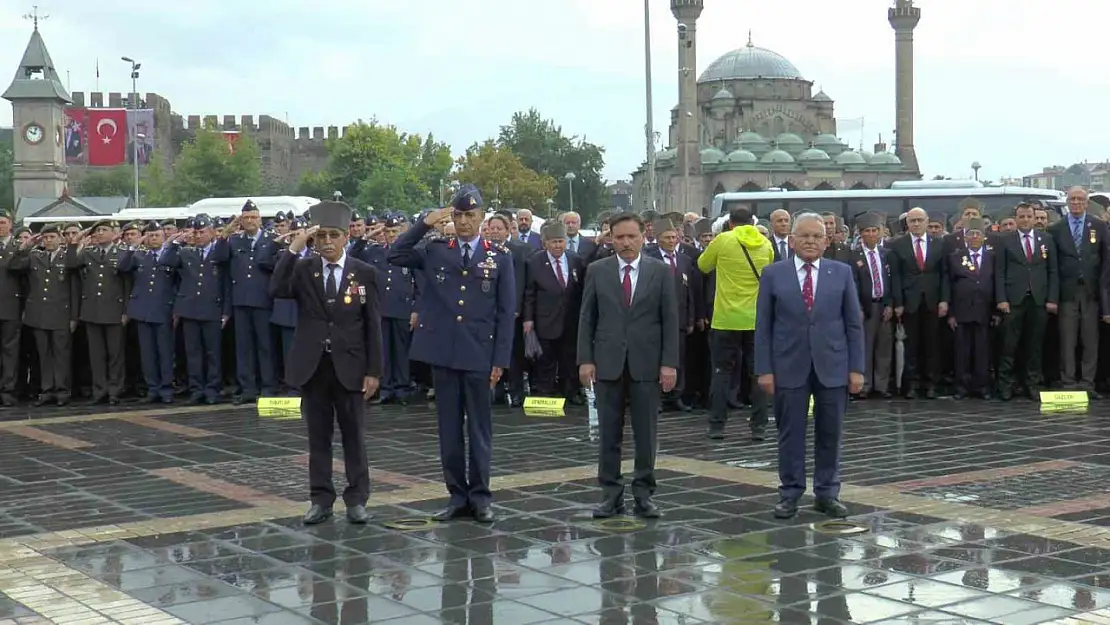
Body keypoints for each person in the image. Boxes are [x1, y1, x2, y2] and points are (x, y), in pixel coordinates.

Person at [388, 185, 515, 523]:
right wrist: (425, 223)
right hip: (443, 352)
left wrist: (500, 360)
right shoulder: (435, 250)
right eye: (457, 216)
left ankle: (481, 497)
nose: (463, 222)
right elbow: (396, 253)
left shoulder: (499, 256)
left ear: (482, 218)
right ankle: (457, 495)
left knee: (480, 429)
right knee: (448, 429)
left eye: (470, 216)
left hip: (479, 354)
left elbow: (505, 312)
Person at [270, 200, 383, 525]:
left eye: (334, 235)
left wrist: (374, 371)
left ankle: (357, 498)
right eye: (321, 237)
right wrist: (294, 246)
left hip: (350, 366)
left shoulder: (363, 273)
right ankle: (320, 499)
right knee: (318, 437)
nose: (328, 242)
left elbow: (372, 323)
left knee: (354, 436)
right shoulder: (305, 269)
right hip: (314, 365)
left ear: (346, 236)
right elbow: (276, 289)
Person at [754, 212, 864, 520]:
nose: (811, 241)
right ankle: (790, 493)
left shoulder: (840, 273)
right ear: (791, 240)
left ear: (827, 241)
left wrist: (856, 368)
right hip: (788, 365)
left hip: (833, 366)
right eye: (804, 236)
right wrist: (765, 369)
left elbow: (854, 323)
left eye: (817, 236)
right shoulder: (774, 273)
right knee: (791, 433)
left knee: (831, 432)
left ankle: (827, 493)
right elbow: (763, 326)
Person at [578, 212, 679, 520]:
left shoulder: (659, 272)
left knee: (646, 435)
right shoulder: (598, 270)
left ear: (642, 237)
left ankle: (644, 494)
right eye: (619, 237)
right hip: (608, 363)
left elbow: (670, 321)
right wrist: (585, 360)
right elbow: (587, 318)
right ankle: (610, 495)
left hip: (647, 365)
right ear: (610, 238)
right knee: (609, 435)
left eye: (631, 237)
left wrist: (669, 364)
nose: (625, 243)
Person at [698, 206, 772, 440]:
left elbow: (703, 265)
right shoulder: (765, 244)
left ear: (730, 223)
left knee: (721, 373)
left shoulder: (723, 240)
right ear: (752, 221)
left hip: (725, 318)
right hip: (756, 320)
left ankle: (717, 426)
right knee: (757, 373)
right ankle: (759, 426)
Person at [944, 217, 995, 399]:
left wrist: (996, 311)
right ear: (965, 237)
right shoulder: (955, 257)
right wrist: (950, 313)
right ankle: (962, 387)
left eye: (978, 234)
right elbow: (948, 284)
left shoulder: (992, 257)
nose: (974, 237)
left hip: (984, 311)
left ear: (984, 237)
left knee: (982, 351)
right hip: (961, 312)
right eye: (970, 234)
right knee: (962, 351)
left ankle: (982, 386)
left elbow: (996, 283)